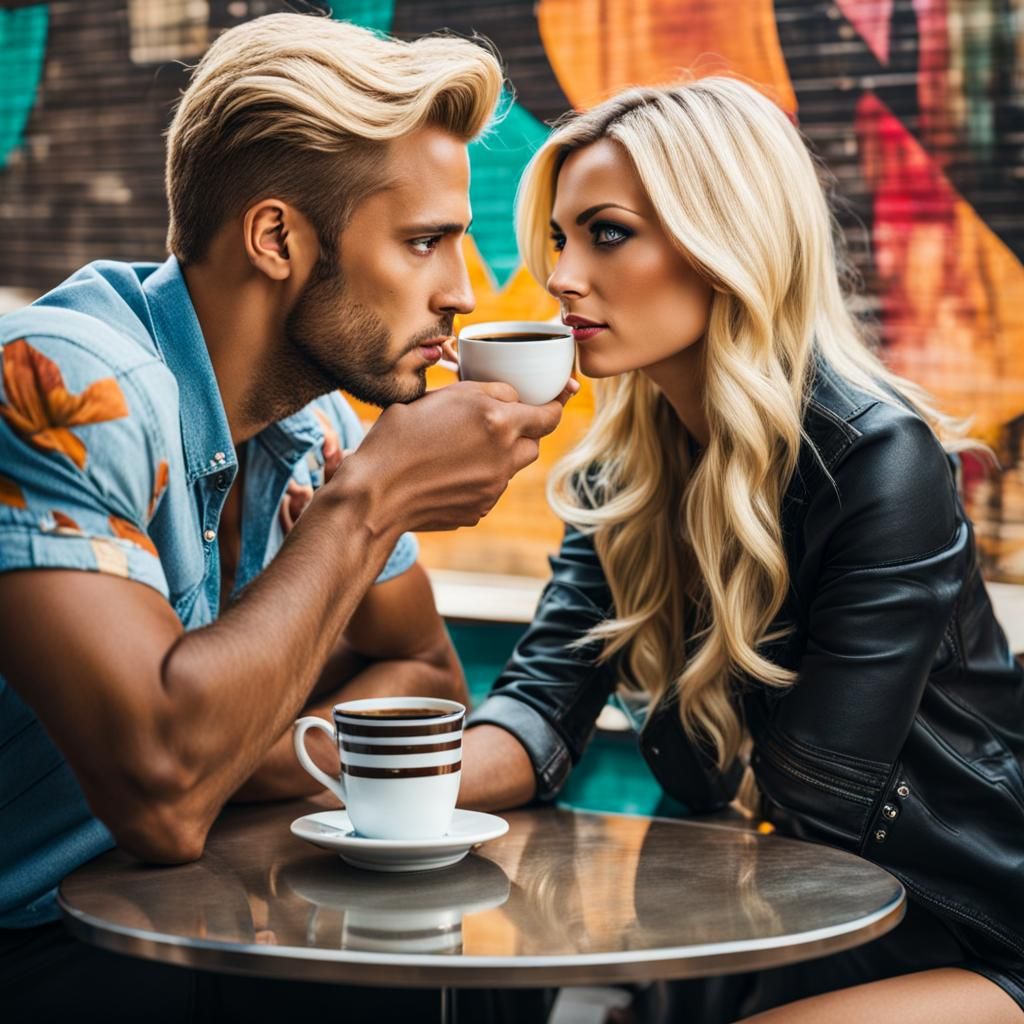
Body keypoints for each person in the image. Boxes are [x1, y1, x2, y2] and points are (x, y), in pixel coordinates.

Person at [0, 13, 573, 1021]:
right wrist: (372, 501)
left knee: (492, 975)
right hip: (35, 936)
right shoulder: (54, 384)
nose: (463, 291)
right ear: (276, 238)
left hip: (177, 911)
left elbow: (427, 679)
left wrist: (245, 741)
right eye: (425, 241)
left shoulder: (311, 424)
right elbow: (170, 795)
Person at [458, 77, 1024, 1022]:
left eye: (607, 233)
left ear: (724, 244)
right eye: (561, 237)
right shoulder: (623, 476)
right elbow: (542, 707)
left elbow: (813, 815)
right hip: (771, 922)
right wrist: (387, 795)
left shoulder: (879, 461)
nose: (560, 275)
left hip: (956, 926)